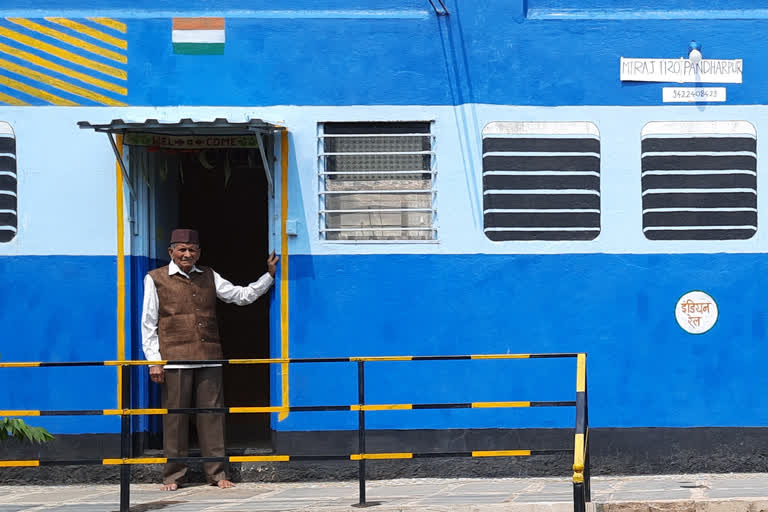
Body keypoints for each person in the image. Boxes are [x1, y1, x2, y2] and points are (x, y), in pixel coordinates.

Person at [141, 228, 279, 491]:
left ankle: (216, 473)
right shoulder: (155, 278)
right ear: (171, 252)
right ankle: (173, 476)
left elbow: (240, 296)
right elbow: (148, 323)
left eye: (192, 250)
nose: (187, 254)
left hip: (210, 358)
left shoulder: (209, 275)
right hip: (174, 360)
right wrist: (154, 361)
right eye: (181, 249)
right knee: (175, 418)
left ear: (199, 253)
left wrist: (268, 277)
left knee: (212, 417)